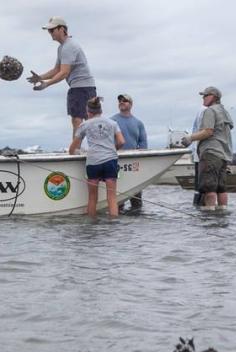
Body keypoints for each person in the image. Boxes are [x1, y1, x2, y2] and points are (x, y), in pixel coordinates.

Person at [27, 17, 97, 146]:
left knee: (79, 120)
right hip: (82, 87)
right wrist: (40, 78)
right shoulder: (62, 48)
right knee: (85, 120)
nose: (50, 33)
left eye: (52, 30)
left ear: (62, 29)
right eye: (49, 31)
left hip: (82, 88)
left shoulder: (69, 47)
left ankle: (76, 149)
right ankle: (86, 148)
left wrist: (46, 84)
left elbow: (64, 72)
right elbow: (56, 70)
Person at [69, 97, 125, 218]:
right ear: (101, 110)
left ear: (88, 112)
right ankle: (113, 223)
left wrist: (73, 153)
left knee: (92, 197)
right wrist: (112, 149)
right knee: (112, 196)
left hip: (93, 162)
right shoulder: (112, 123)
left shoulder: (84, 125)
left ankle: (92, 225)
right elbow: (121, 141)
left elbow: (73, 148)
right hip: (110, 160)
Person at [181, 87, 234, 210]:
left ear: (213, 97)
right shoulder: (225, 112)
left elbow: (208, 132)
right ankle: (222, 214)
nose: (203, 98)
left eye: (205, 96)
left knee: (209, 188)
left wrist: (190, 138)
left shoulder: (209, 111)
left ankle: (209, 218)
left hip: (211, 153)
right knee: (221, 188)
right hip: (224, 154)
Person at [111, 94, 148, 212]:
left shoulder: (138, 123)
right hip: (116, 160)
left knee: (136, 200)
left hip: (133, 162)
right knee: (119, 198)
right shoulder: (111, 121)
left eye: (125, 101)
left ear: (131, 105)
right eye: (120, 101)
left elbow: (143, 143)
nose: (122, 102)